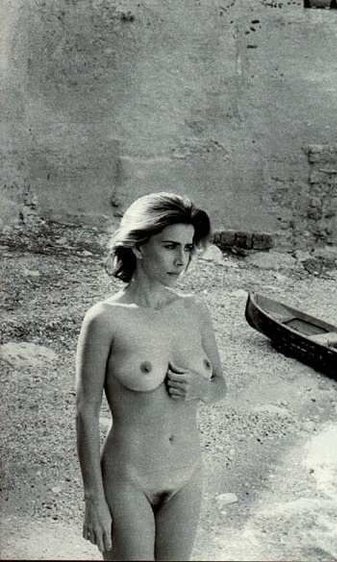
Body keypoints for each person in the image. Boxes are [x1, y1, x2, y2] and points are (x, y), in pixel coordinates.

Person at [75, 192, 227, 561]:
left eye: (188, 248)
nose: (181, 260)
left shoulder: (195, 311)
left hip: (187, 475)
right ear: (139, 247)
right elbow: (85, 411)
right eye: (170, 246)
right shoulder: (106, 319)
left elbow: (220, 385)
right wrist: (94, 499)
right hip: (129, 479)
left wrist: (202, 388)